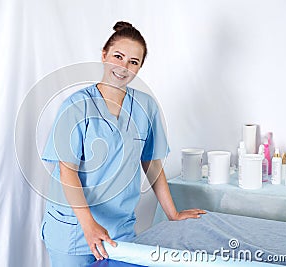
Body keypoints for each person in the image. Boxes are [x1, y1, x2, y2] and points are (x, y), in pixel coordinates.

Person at [41, 21, 206, 267]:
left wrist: (172, 213)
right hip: (73, 230)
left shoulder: (145, 107)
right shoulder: (76, 106)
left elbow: (152, 163)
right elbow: (68, 171)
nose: (124, 67)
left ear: (139, 68)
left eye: (133, 62)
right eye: (118, 56)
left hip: (119, 231)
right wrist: (88, 226)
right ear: (104, 55)